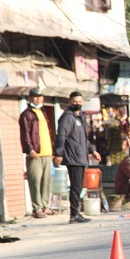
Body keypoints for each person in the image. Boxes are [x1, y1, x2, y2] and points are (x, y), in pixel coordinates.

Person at [53, 91, 101, 223]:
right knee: (75, 187)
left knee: (78, 186)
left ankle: (77, 213)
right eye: (75, 102)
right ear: (70, 102)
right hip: (72, 156)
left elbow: (84, 139)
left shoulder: (81, 117)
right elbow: (61, 136)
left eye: (79, 102)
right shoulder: (68, 117)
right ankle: (74, 215)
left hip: (81, 156)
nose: (77, 104)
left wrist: (92, 151)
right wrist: (59, 153)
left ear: (83, 102)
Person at [18, 87, 56, 218]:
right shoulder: (26, 114)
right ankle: (37, 208)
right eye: (35, 96)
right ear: (30, 98)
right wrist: (29, 149)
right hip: (35, 153)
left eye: (40, 96)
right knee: (35, 181)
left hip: (47, 153)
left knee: (47, 181)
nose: (38, 98)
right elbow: (25, 134)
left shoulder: (43, 112)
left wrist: (52, 150)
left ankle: (46, 206)